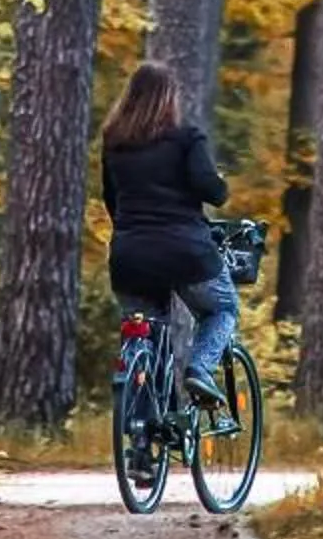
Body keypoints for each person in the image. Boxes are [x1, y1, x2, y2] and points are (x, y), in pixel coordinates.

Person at [100, 59, 237, 409]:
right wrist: (220, 184)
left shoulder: (114, 143)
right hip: (185, 252)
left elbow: (111, 198)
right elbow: (211, 190)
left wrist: (133, 232)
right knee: (222, 309)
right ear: (169, 99)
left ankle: (143, 450)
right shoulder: (186, 139)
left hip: (130, 256)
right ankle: (199, 370)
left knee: (145, 334)